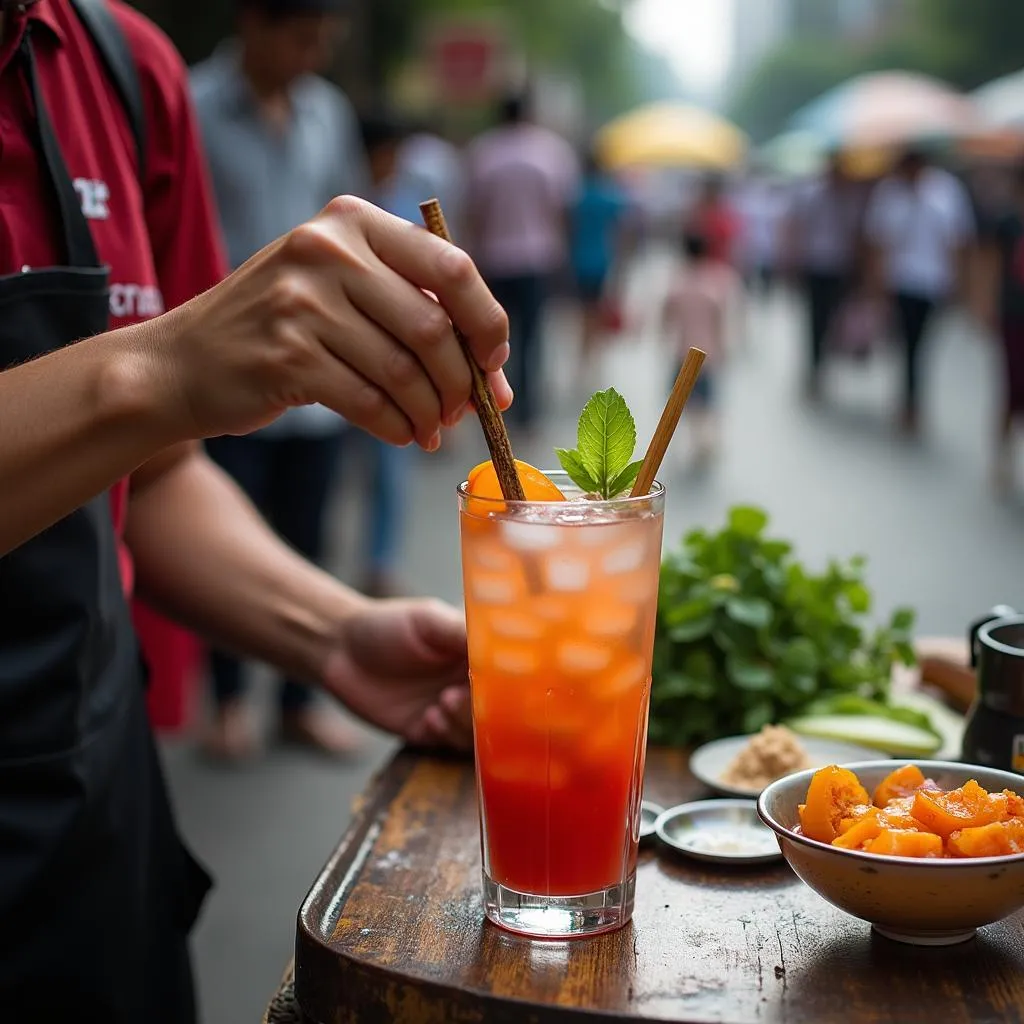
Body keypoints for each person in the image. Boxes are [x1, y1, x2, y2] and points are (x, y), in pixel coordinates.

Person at [0, 0, 511, 1018]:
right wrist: (163, 368)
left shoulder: (119, 68)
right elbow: (156, 397)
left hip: (91, 822)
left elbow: (151, 475)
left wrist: (333, 632)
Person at [190, 0, 367, 760]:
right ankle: (229, 701)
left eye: (322, 38)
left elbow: (353, 221)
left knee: (306, 535)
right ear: (251, 22)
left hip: (315, 384)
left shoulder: (327, 112)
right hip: (223, 375)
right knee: (214, 531)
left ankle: (298, 701)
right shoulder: (192, 104)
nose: (312, 53)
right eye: (300, 34)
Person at [466, 89, 579, 433]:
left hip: (495, 258)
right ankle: (527, 405)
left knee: (497, 335)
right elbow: (561, 208)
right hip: (537, 258)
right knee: (532, 335)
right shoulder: (551, 152)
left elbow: (475, 211)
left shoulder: (483, 153)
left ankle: (500, 400)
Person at [864, 147, 976, 435]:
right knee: (906, 343)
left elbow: (958, 239)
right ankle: (908, 400)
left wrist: (960, 284)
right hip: (900, 280)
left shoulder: (946, 191)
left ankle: (913, 400)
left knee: (921, 344)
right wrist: (876, 283)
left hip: (933, 282)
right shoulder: (890, 193)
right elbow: (878, 239)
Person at [783, 152, 865, 398]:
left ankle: (823, 363)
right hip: (815, 264)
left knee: (833, 319)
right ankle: (815, 366)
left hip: (839, 266)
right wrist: (793, 259)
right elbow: (798, 227)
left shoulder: (852, 198)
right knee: (814, 319)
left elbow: (857, 234)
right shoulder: (812, 194)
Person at [661, 233, 740, 464]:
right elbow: (721, 319)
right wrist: (724, 346)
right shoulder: (715, 284)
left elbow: (666, 316)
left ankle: (698, 439)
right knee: (708, 400)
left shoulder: (678, 283)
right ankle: (706, 440)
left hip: (682, 353)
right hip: (709, 352)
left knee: (683, 400)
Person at [980, 161, 1024, 494]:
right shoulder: (1008, 223)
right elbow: (993, 268)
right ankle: (1002, 457)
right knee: (1011, 389)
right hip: (1013, 316)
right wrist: (986, 306)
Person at [569, 148, 630, 370]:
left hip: (579, 260)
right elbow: (621, 232)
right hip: (601, 260)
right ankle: (591, 355)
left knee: (584, 310)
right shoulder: (610, 197)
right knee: (597, 310)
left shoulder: (577, 196)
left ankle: (583, 353)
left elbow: (569, 228)